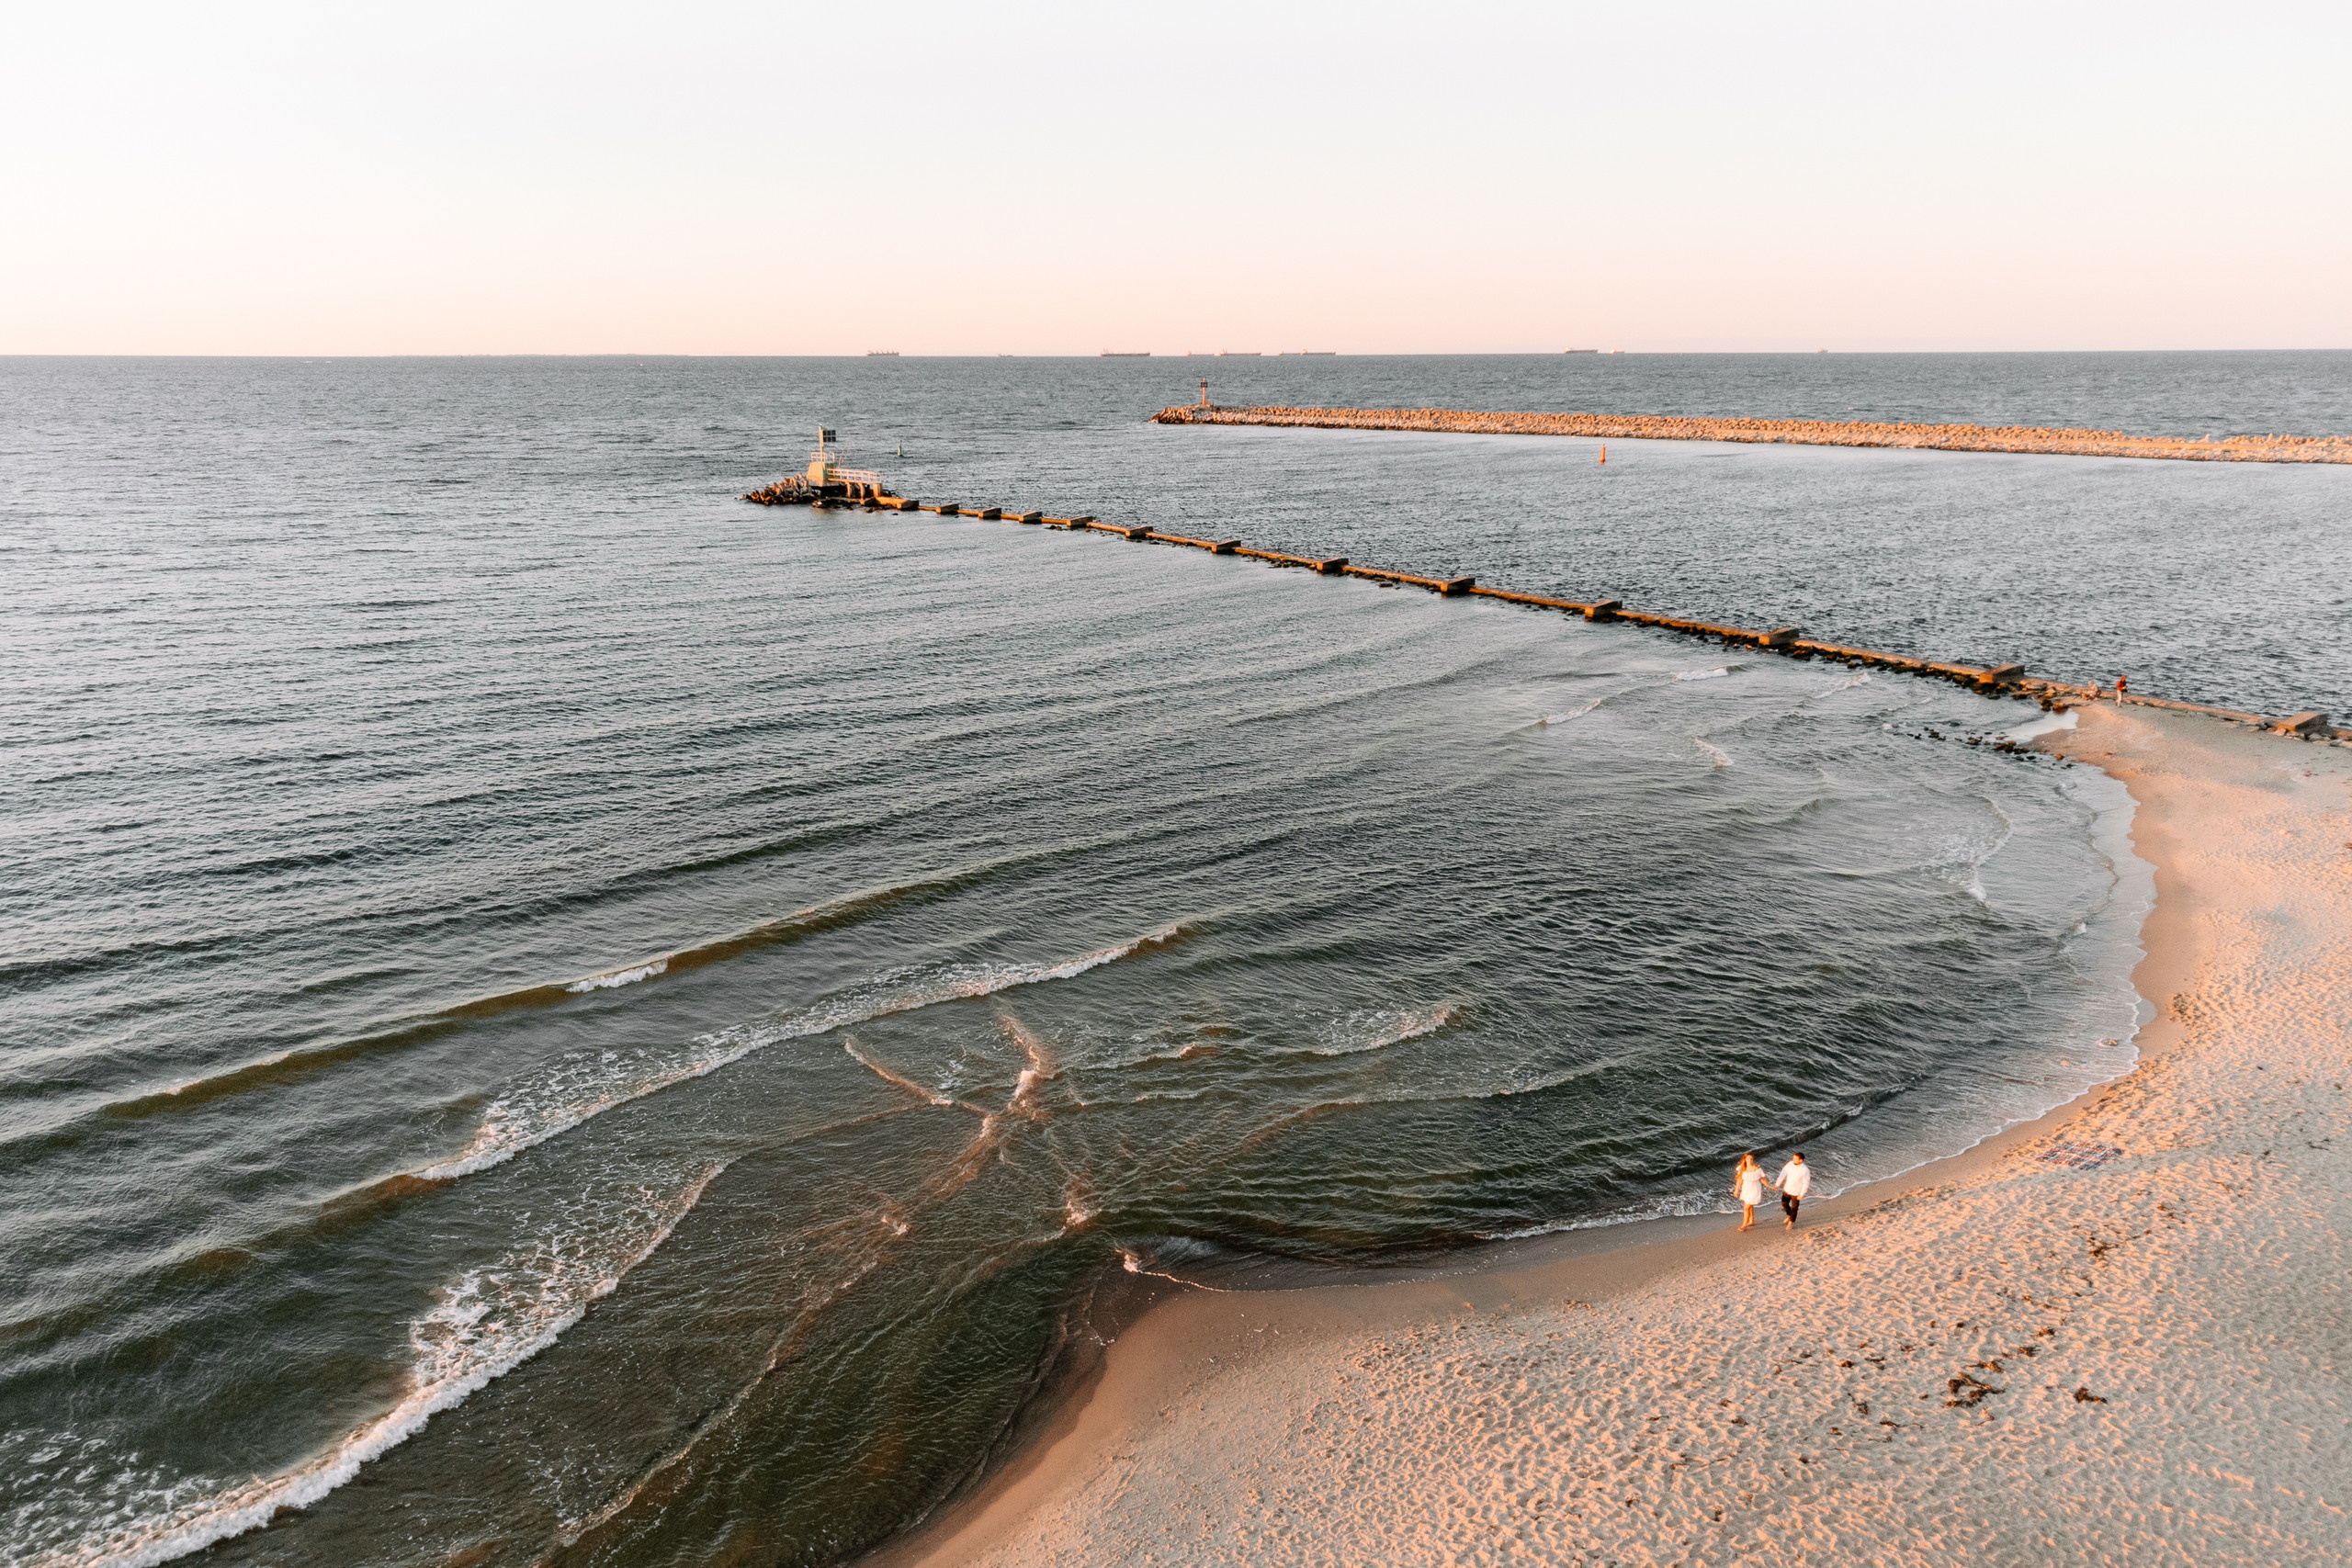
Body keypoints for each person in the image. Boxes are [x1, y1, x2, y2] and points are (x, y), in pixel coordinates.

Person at [1775, 1151, 1812, 1227]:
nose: (1793, 1160)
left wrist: (1802, 1194)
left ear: (1801, 1160)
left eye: (1795, 1159)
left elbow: (1806, 1183)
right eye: (1793, 1158)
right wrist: (1777, 1184)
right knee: (1784, 1204)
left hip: (1797, 1192)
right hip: (1787, 1189)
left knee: (1795, 1208)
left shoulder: (1805, 1170)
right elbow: (1783, 1174)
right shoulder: (1790, 1164)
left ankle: (1791, 1222)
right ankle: (1789, 1215)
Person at [1734, 1153, 1767, 1230]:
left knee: (1746, 1207)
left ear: (1753, 1160)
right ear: (1745, 1159)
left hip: (1755, 1189)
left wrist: (1770, 1186)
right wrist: (1736, 1190)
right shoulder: (1742, 1168)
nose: (1750, 1160)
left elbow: (1762, 1179)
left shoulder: (1757, 1168)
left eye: (1751, 1159)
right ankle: (1751, 1220)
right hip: (1746, 1189)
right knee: (1750, 1205)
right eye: (1748, 1159)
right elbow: (1739, 1179)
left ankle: (1744, 1225)